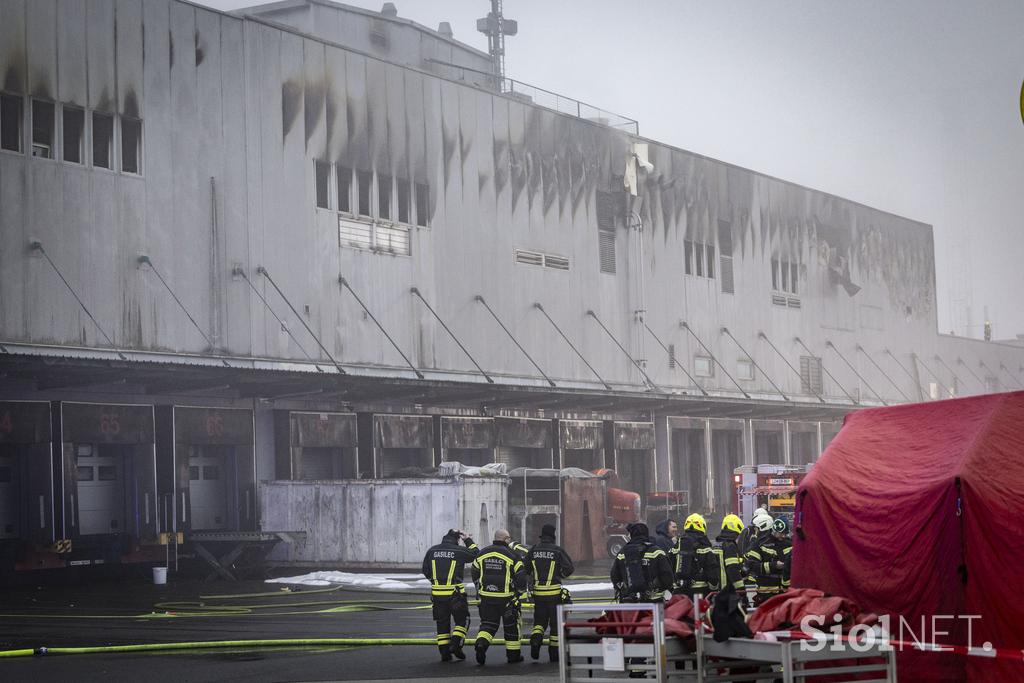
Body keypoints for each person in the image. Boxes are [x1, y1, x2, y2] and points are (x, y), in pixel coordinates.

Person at [472, 529, 529, 665]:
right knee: (511, 627)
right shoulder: (513, 555)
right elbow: (521, 577)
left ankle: (481, 644)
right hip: (507, 598)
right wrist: (520, 591)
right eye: (509, 538)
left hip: (486, 597)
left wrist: (479, 588)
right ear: (505, 539)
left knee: (488, 624)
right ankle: (513, 656)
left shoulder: (482, 553)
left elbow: (475, 572)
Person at [422, 528, 480, 661]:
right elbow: (476, 554)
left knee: (442, 623)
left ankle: (444, 653)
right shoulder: (458, 551)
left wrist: (436, 581)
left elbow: (425, 570)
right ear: (457, 539)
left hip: (437, 595)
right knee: (463, 620)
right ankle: (455, 644)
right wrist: (468, 539)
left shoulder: (432, 551)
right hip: (456, 594)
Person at [525, 523, 575, 663]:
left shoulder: (533, 550)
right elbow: (569, 568)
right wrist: (560, 574)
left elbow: (526, 568)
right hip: (554, 594)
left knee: (539, 622)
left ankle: (535, 641)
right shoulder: (557, 551)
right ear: (553, 535)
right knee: (555, 625)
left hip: (538, 594)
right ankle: (554, 655)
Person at [610, 522, 674, 603]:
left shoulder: (622, 553)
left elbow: (614, 576)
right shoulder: (657, 552)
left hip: (629, 603)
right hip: (654, 603)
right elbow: (668, 578)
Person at [745, 513, 785, 606]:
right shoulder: (758, 544)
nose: (755, 531)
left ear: (762, 527)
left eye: (756, 529)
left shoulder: (782, 542)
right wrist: (774, 565)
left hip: (780, 593)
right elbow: (752, 566)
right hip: (765, 593)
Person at [706, 514, 747, 602]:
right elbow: (732, 569)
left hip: (715, 591)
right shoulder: (730, 545)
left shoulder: (715, 544)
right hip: (728, 592)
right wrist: (741, 590)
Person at [675, 513, 712, 597]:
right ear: (702, 526)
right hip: (700, 593)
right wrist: (713, 589)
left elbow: (668, 571)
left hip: (679, 591)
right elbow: (712, 571)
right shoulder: (705, 547)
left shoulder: (677, 545)